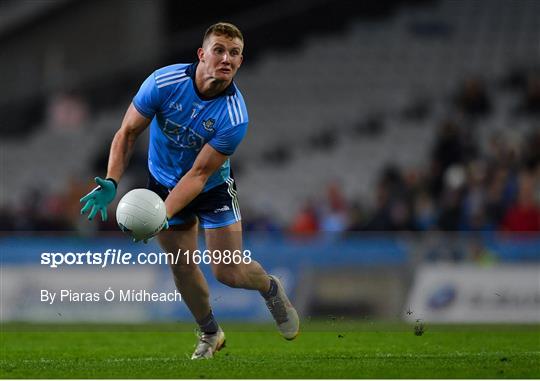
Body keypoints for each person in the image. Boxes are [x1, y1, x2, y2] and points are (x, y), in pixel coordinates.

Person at [79, 22, 299, 359]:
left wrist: (160, 215)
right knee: (181, 264)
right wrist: (111, 180)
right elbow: (127, 132)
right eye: (219, 50)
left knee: (228, 270)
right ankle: (210, 333)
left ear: (240, 62)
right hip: (163, 180)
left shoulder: (234, 116)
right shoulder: (163, 83)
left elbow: (199, 174)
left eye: (235, 53)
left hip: (211, 189)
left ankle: (270, 288)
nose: (227, 58)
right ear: (202, 54)